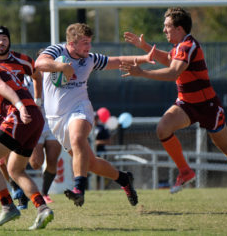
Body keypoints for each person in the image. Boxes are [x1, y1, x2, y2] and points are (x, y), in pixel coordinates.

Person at [120, 7, 227, 210]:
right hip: (186, 104)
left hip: (208, 106)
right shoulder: (179, 46)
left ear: (179, 28)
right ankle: (185, 171)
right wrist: (144, 46)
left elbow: (173, 71)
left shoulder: (189, 45)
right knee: (162, 129)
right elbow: (168, 59)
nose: (164, 30)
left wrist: (142, 73)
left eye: (167, 27)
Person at [35, 23, 155, 207]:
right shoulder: (57, 50)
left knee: (77, 139)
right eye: (84, 43)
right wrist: (61, 67)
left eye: (90, 42)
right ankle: (123, 179)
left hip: (80, 108)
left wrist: (145, 58)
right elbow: (40, 63)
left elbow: (118, 60)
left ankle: (78, 190)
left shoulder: (89, 59)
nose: (89, 47)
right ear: (72, 43)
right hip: (56, 119)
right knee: (89, 163)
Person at [0, 37, 53, 229]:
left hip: (20, 115)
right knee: (15, 169)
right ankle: (42, 209)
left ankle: (8, 207)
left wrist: (20, 107)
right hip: (35, 117)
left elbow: (0, 86)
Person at [24, 50, 62, 203]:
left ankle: (44, 193)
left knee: (53, 160)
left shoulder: (59, 77)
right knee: (35, 163)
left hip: (53, 123)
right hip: (36, 125)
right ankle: (21, 183)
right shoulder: (29, 78)